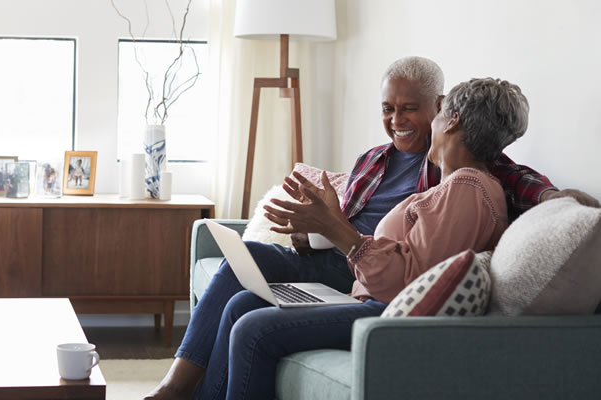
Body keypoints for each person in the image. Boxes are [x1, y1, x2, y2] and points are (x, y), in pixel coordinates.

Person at [145, 57, 598, 400]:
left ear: (447, 115)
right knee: (241, 293)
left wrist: (554, 199)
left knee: (253, 327)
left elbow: (408, 275)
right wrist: (311, 226)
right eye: (388, 108)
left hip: (375, 292)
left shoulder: (468, 185)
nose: (397, 119)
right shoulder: (383, 163)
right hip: (353, 271)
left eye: (414, 110)